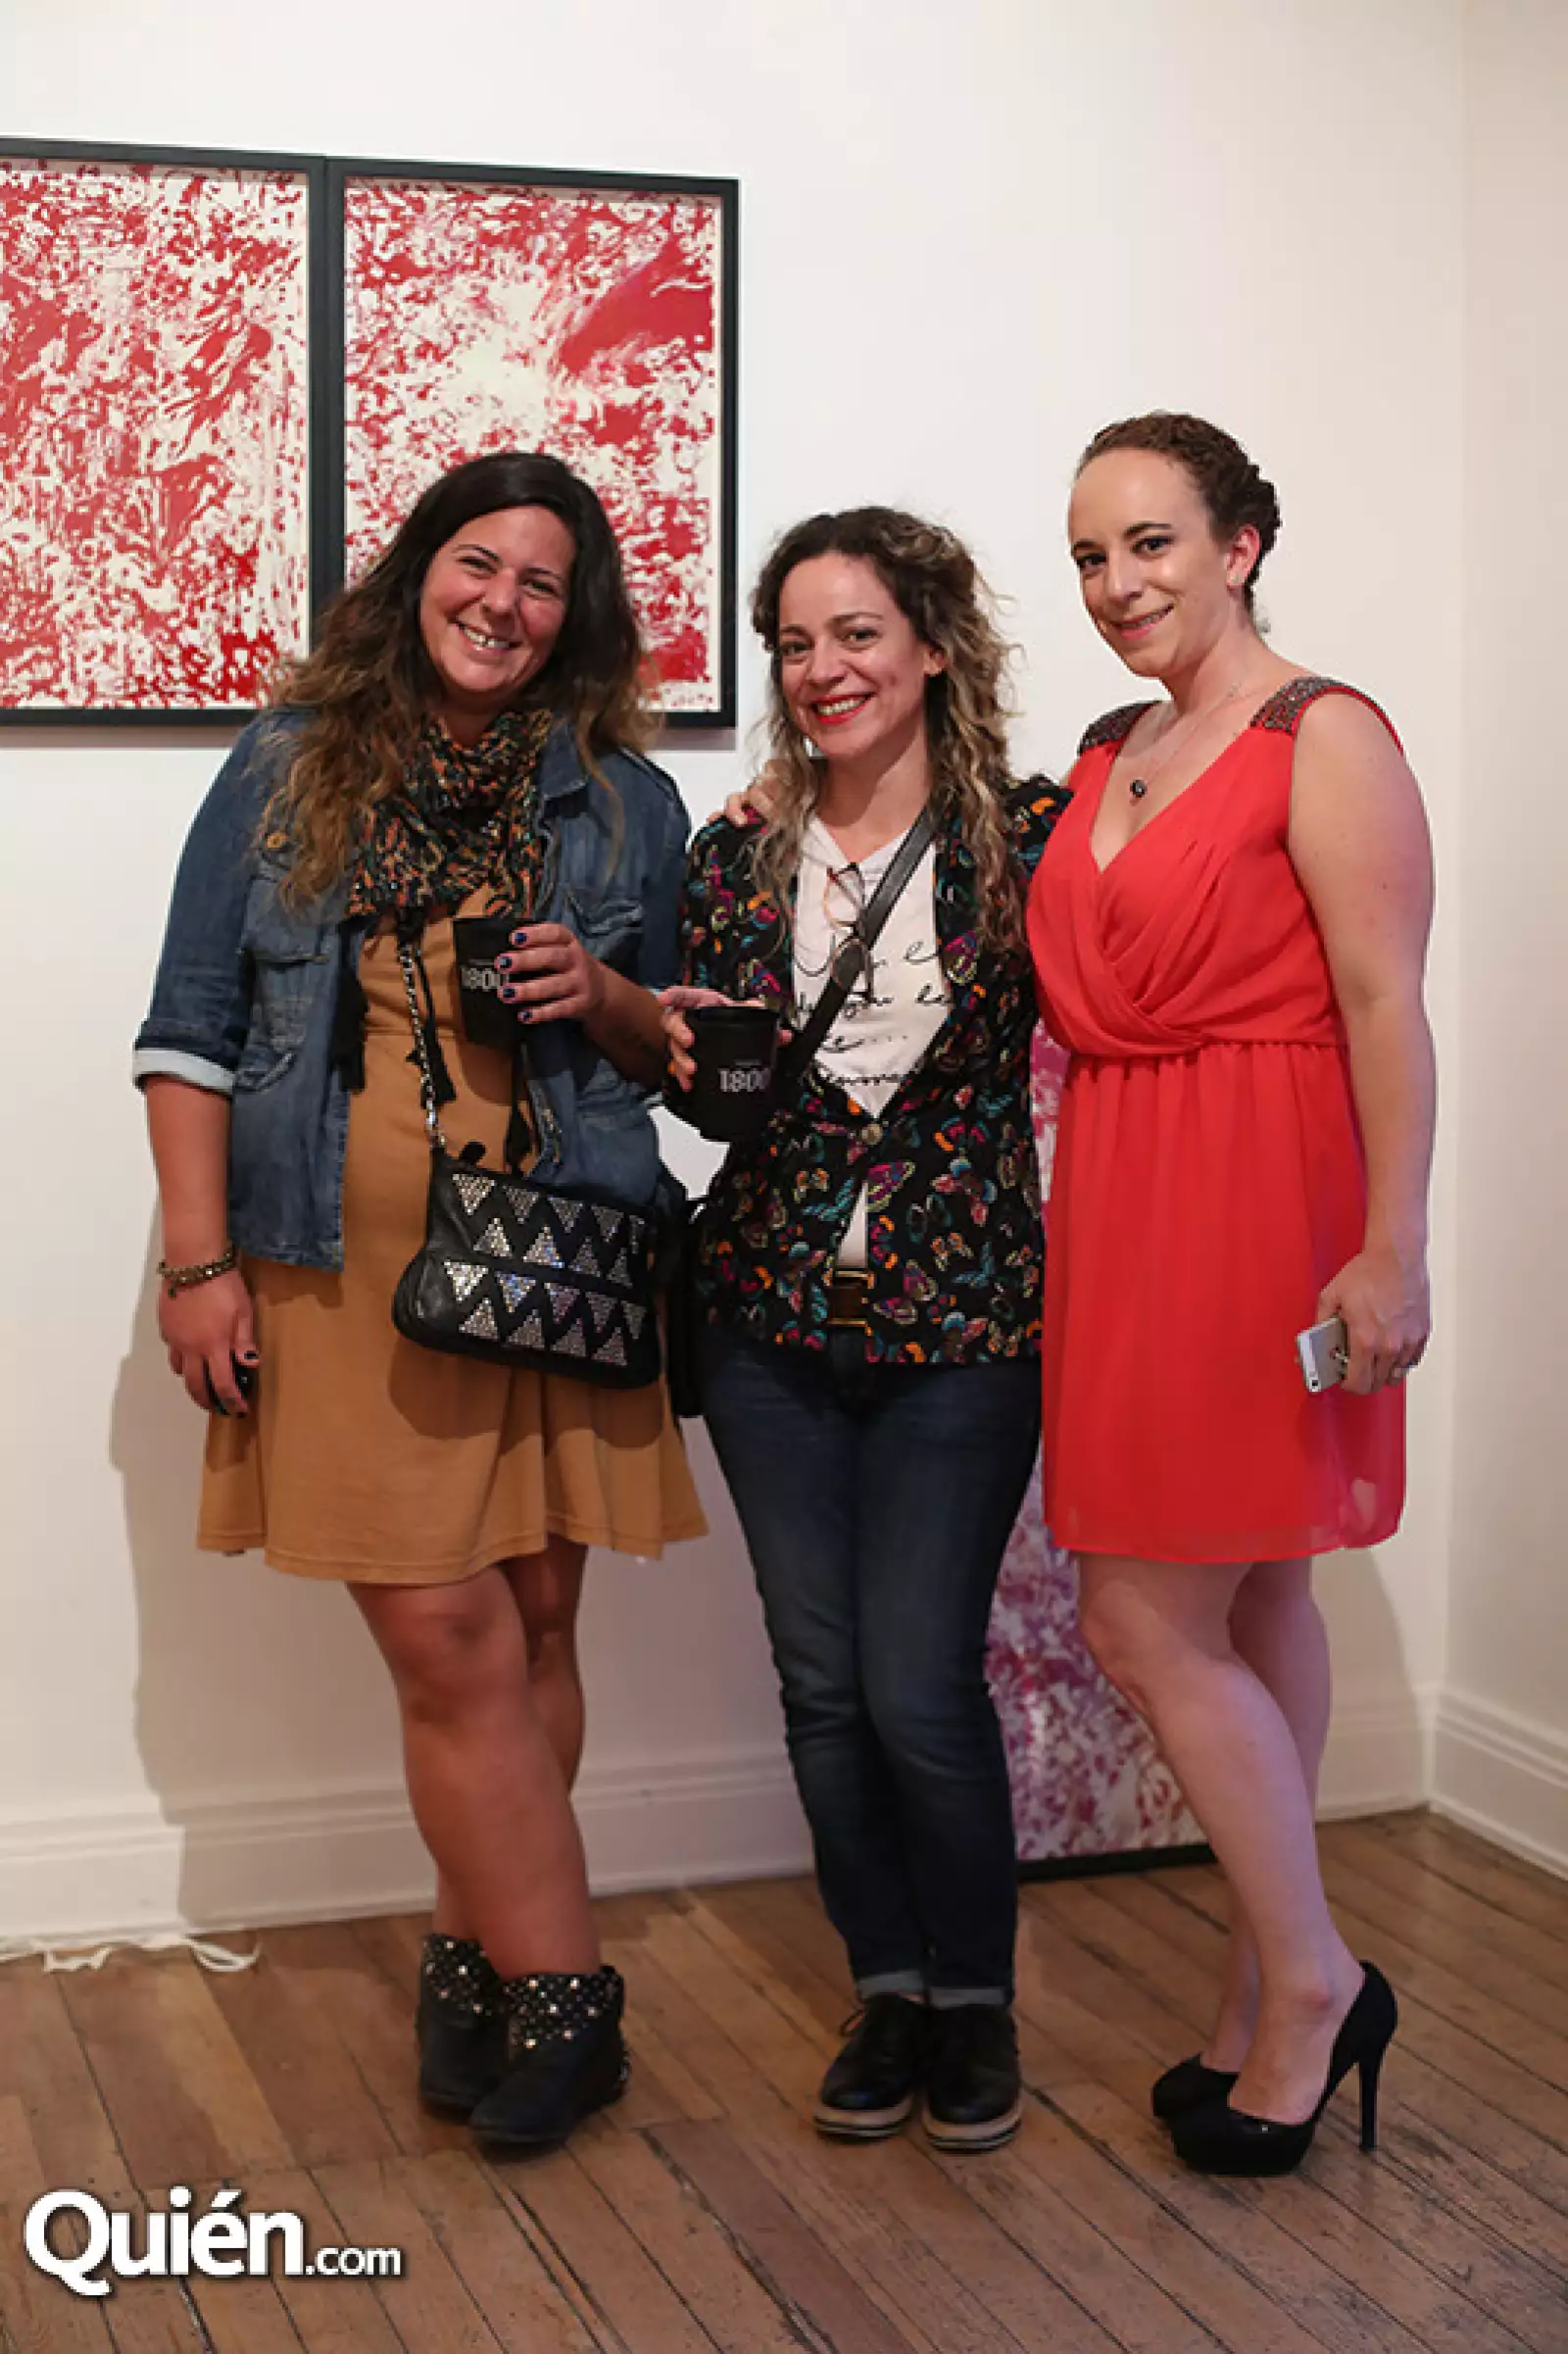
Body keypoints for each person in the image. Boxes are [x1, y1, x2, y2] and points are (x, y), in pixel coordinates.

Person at [133, 450, 705, 2154]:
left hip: (554, 1259)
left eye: (543, 583)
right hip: (341, 1268)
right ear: (416, 572)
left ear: (573, 615)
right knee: (445, 1634)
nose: (505, 604)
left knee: (533, 1626)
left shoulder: (619, 800)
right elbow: (186, 1031)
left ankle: (471, 1956)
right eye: (479, 564)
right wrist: (196, 1259)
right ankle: (567, 1994)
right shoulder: (289, 768)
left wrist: (599, 989)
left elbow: (664, 1050)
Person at [1029, 412, 1434, 2176]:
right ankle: (1262, 1984)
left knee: (1138, 1612)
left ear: (1243, 541)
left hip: (1267, 1197)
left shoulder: (1320, 734)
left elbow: (1383, 1005)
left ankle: (1320, 1979)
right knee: (1252, 1594)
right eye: (1093, 557)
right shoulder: (1114, 743)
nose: (1120, 586)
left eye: (1153, 544)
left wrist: (1394, 1242)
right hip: (1123, 1188)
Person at [663, 508, 1068, 2152]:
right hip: (766, 1312)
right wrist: (676, 1041)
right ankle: (885, 1984)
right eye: (795, 643)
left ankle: (975, 1999)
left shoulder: (1032, 838)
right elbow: (721, 1092)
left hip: (964, 1313)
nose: (822, 670)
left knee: (919, 1682)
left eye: (856, 636)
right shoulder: (733, 852)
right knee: (822, 1683)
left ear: (933, 648)